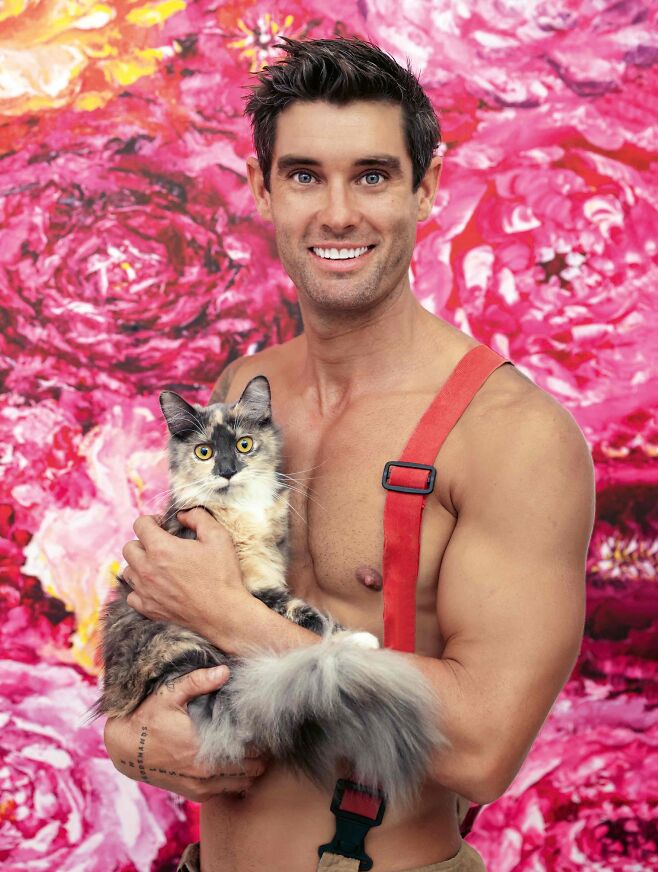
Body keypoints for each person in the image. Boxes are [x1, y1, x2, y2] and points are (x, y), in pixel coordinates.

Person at [104, 37, 595, 872]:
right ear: (263, 188)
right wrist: (129, 739)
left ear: (425, 187)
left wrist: (236, 619)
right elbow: (164, 634)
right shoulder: (245, 391)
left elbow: (482, 747)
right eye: (304, 176)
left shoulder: (513, 436)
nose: (337, 213)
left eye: (371, 175)